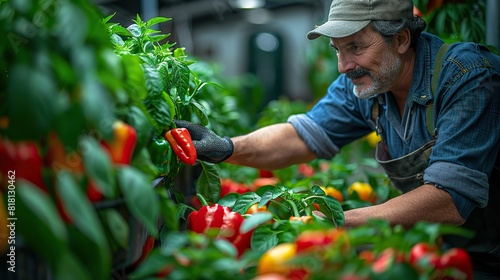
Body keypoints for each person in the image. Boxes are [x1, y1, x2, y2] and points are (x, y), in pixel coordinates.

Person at [175, 0, 500, 277]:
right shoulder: (370, 82)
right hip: (436, 248)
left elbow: (449, 198)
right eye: (338, 50)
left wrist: (340, 220)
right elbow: (302, 136)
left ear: (401, 39)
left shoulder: (467, 78)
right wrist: (226, 147)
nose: (343, 66)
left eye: (356, 47)